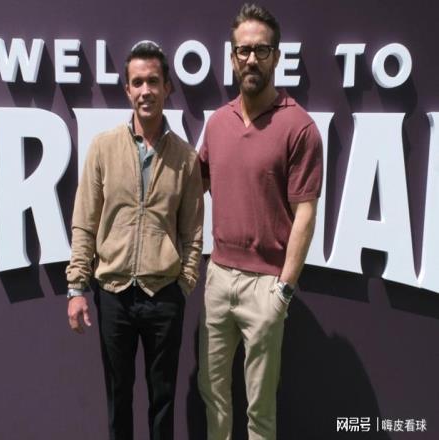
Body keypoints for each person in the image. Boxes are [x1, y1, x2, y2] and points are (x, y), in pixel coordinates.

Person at [65, 41, 204, 440]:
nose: (146, 91)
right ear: (127, 89)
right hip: (114, 294)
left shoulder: (186, 159)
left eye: (153, 82)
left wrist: (184, 283)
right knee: (118, 396)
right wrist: (76, 287)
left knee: (163, 400)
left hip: (164, 296)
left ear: (167, 88)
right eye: (138, 82)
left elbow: (192, 232)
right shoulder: (103, 147)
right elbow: (85, 222)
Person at [198, 4, 323, 439]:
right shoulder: (217, 123)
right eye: (243, 50)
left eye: (261, 50)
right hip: (217, 279)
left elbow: (306, 212)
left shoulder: (299, 127)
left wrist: (283, 291)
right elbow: (194, 187)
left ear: (276, 56)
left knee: (260, 409)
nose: (252, 59)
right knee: (212, 395)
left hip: (266, 285)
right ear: (232, 57)